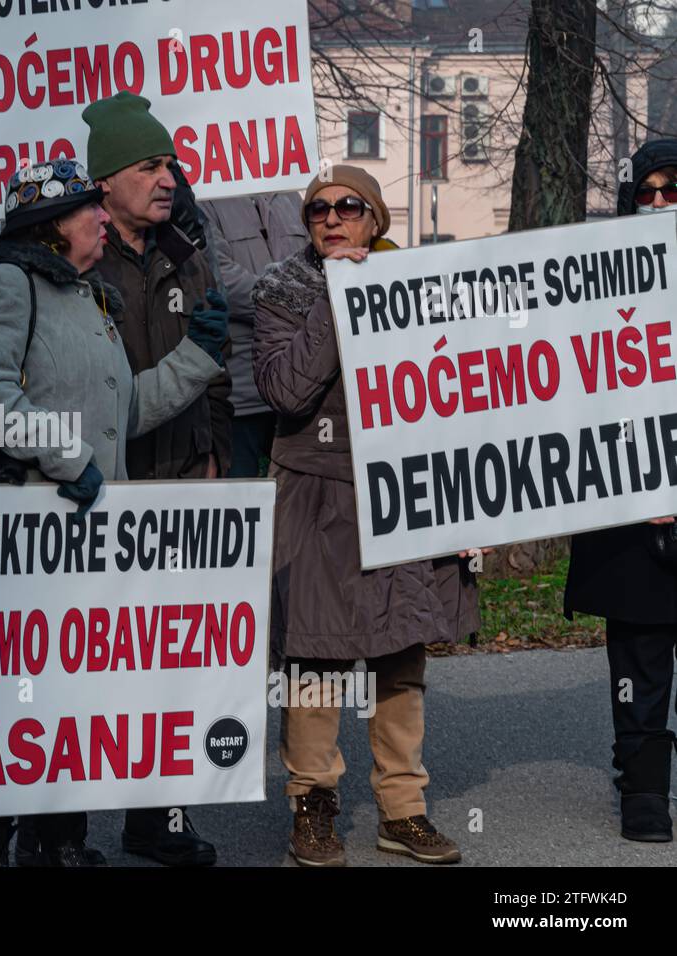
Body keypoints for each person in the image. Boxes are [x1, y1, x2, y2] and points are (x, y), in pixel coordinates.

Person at [0, 157, 228, 866]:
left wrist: (198, 355)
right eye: (88, 211)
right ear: (51, 228)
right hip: (29, 528)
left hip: (90, 536)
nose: (103, 218)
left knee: (72, 692)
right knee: (21, 694)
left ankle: (59, 840)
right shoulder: (6, 285)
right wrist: (69, 461)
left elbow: (122, 412)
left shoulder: (89, 299)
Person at [252, 165, 477, 867]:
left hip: (401, 494)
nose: (332, 218)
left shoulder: (419, 287)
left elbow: (459, 397)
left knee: (399, 655)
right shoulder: (281, 293)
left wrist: (468, 504)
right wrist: (339, 297)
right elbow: (286, 389)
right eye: (317, 209)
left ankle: (402, 809)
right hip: (316, 493)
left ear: (374, 219)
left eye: (349, 206)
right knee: (315, 660)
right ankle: (312, 805)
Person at [81, 89, 230, 867]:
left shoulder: (186, 253)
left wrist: (219, 459)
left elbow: (217, 370)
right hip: (99, 491)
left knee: (171, 664)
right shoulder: (75, 256)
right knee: (85, 664)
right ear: (105, 180)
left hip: (182, 485)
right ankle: (60, 830)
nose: (168, 176)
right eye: (148, 164)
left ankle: (160, 819)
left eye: (170, 161)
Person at [564, 139, 677, 843]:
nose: (662, 204)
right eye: (649, 192)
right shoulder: (599, 282)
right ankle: (642, 789)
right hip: (631, 497)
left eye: (675, 190)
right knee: (638, 652)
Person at [201, 193, 308, 477]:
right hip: (240, 399)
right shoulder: (206, 198)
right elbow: (219, 278)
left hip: (298, 393)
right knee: (242, 505)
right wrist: (291, 304)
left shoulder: (289, 199)